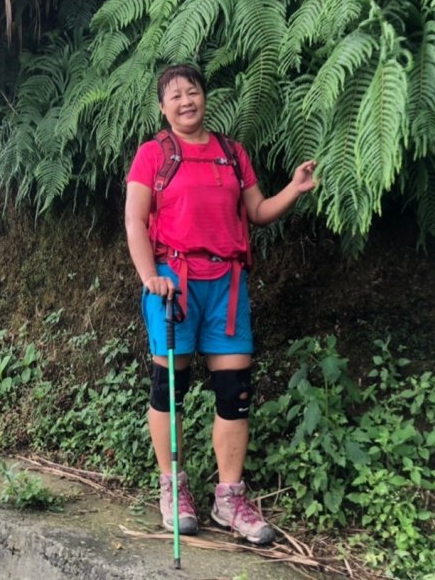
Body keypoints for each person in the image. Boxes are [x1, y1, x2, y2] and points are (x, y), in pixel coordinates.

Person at [124, 63, 318, 545]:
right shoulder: (152, 155)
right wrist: (151, 277)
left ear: (205, 97)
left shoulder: (232, 154)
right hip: (173, 282)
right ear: (162, 107)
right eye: (175, 96)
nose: (186, 101)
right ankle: (174, 489)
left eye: (193, 92)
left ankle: (229, 497)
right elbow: (134, 221)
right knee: (171, 385)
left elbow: (256, 213)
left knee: (234, 390)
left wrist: (292, 189)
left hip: (226, 285)